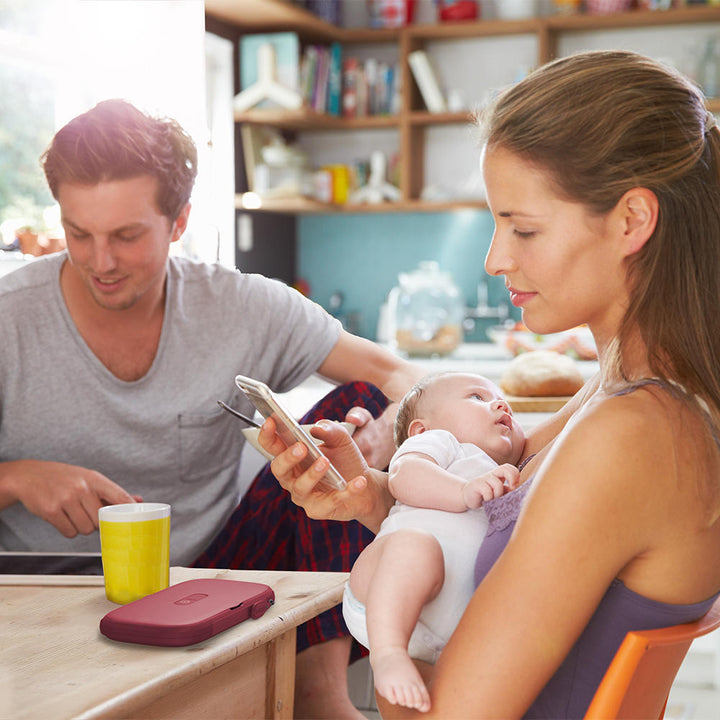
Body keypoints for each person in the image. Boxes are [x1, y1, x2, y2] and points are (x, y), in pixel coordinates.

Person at [259, 49, 720, 718]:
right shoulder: (624, 389)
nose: (496, 257)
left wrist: (397, 654)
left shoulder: (635, 432)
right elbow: (504, 505)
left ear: (631, 222)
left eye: (523, 227)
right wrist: (375, 493)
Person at [0, 99, 427, 719]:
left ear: (178, 222)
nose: (100, 262)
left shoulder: (238, 305)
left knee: (352, 412)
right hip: (39, 577)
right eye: (78, 234)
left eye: (125, 236)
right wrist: (15, 477)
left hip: (209, 567)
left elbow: (398, 373)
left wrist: (391, 429)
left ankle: (318, 699)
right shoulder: (10, 316)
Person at [343, 372, 525, 712]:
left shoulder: (499, 474)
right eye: (476, 397)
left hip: (441, 633)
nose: (500, 405)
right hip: (386, 589)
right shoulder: (442, 444)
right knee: (416, 545)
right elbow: (404, 476)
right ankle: (388, 655)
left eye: (505, 403)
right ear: (420, 429)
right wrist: (461, 491)